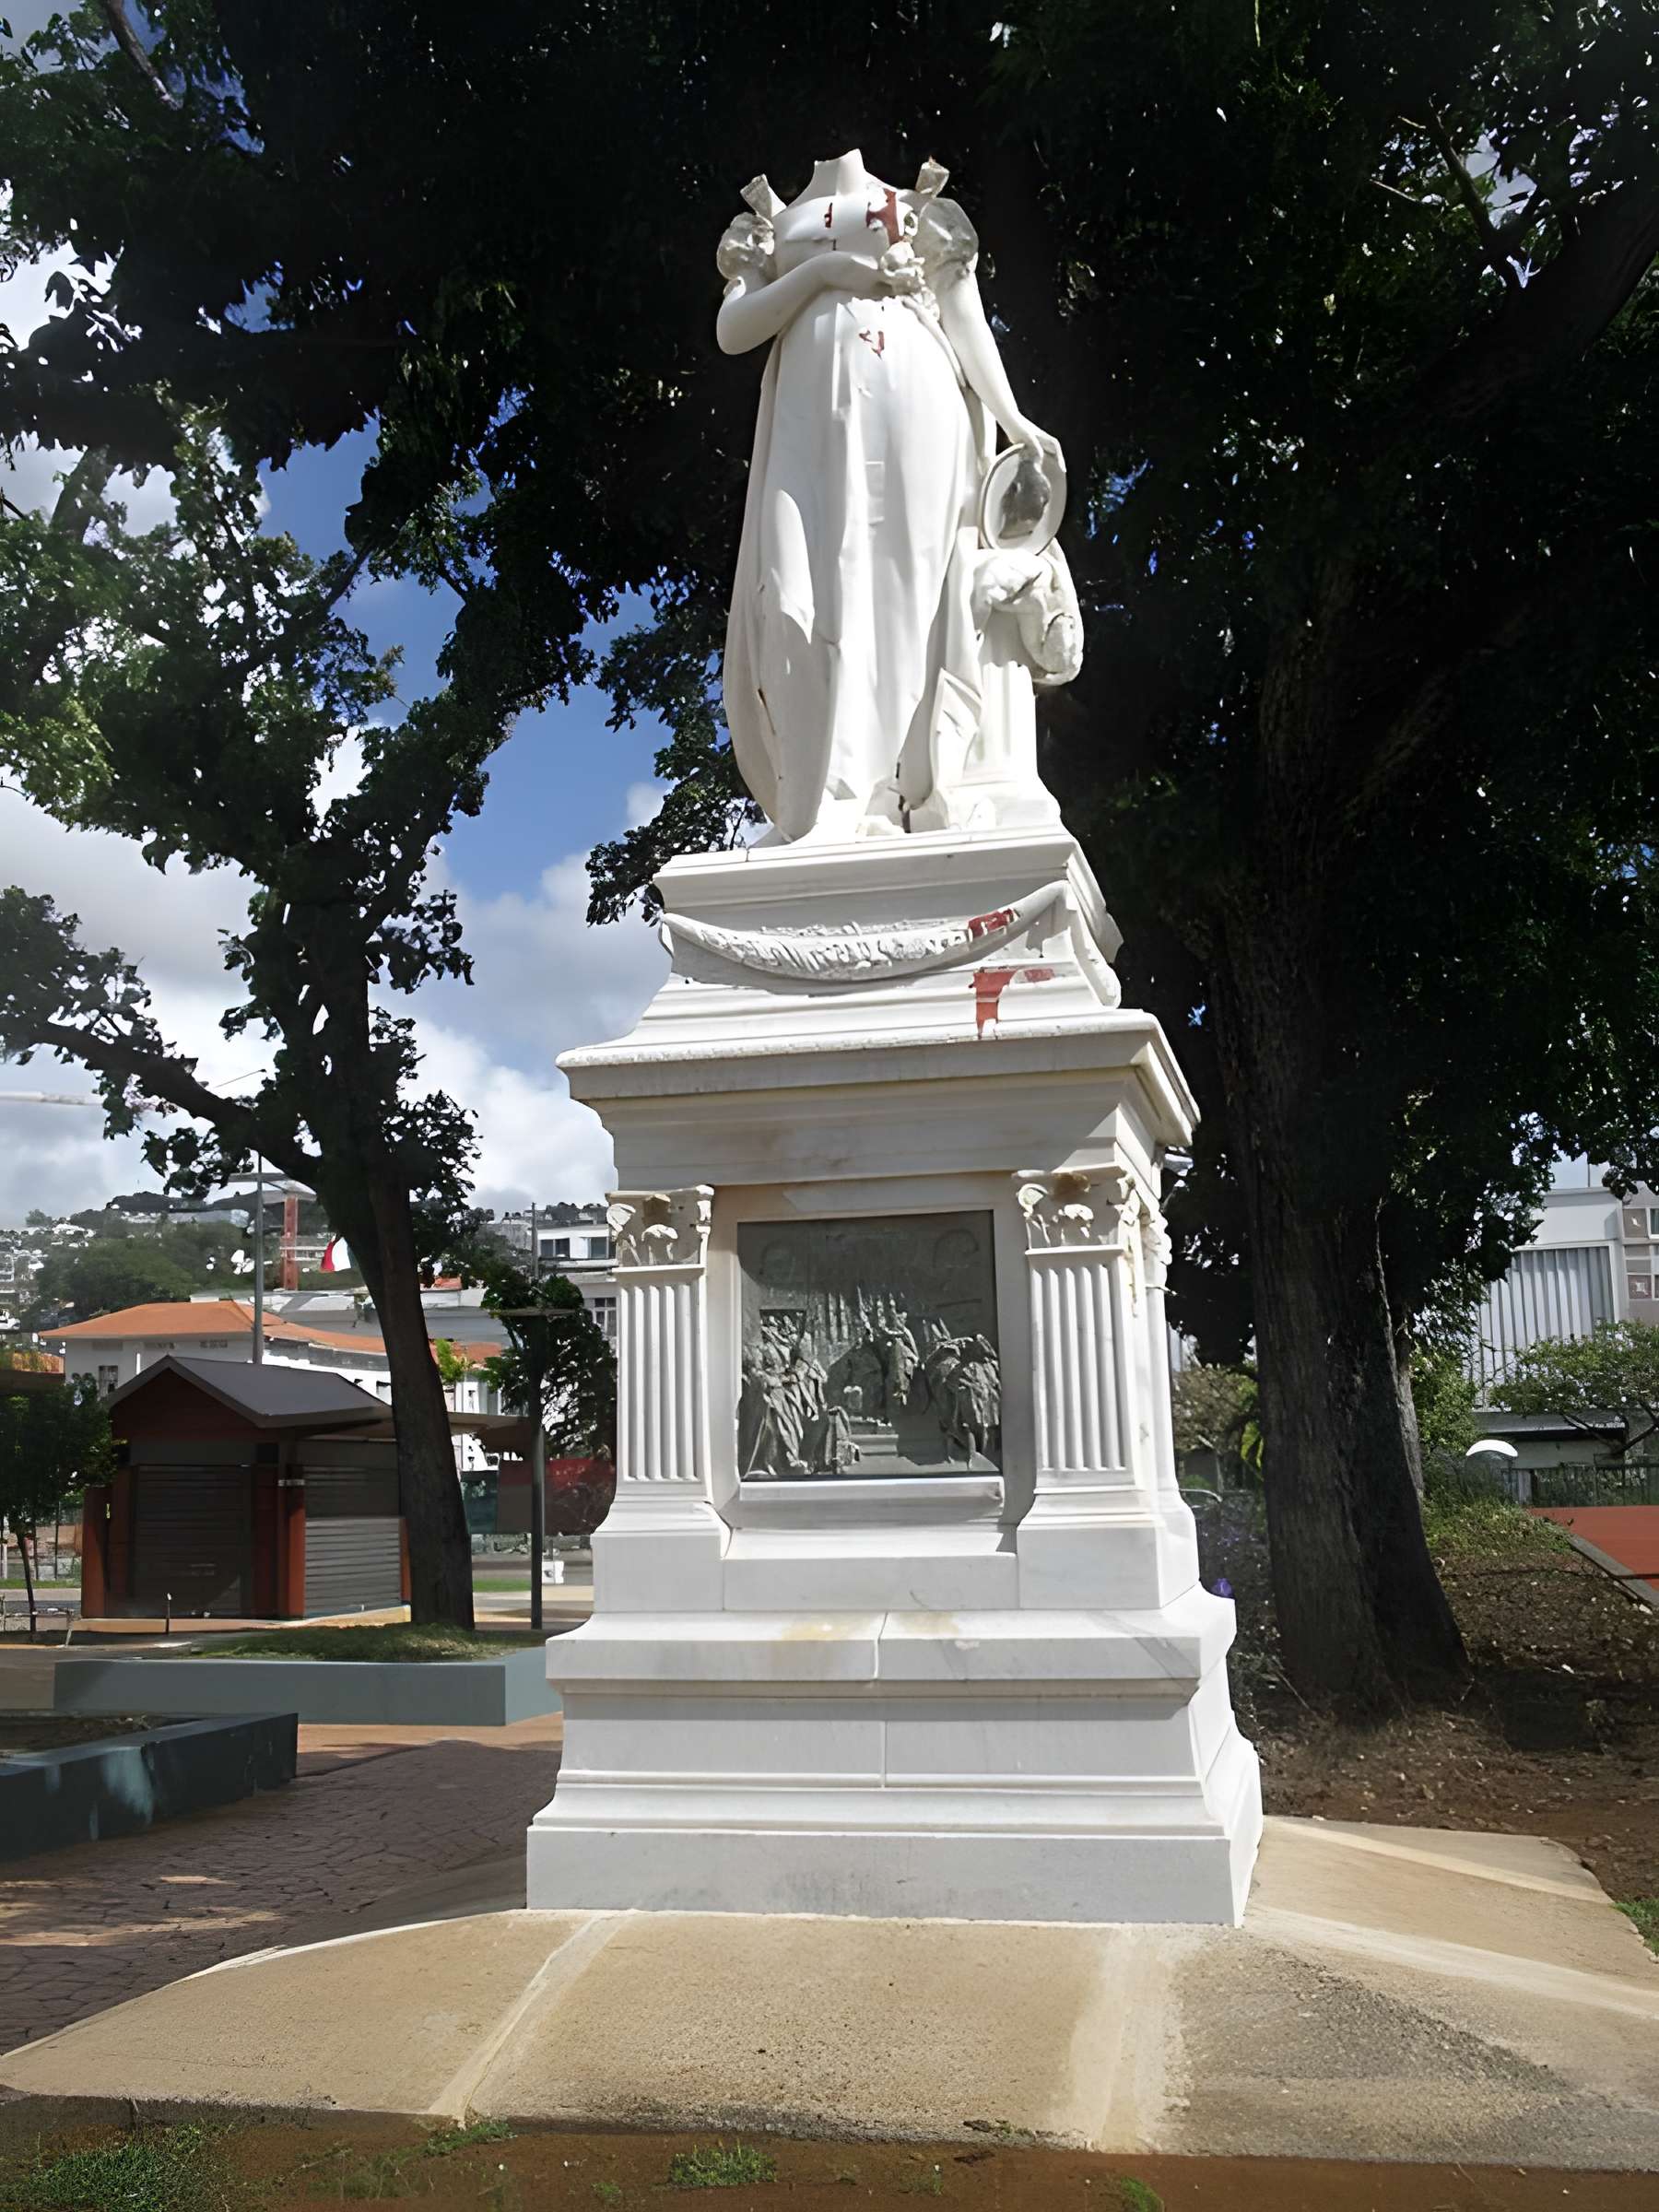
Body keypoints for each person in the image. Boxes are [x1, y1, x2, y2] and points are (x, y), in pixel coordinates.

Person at [716, 149, 1067, 842]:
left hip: (914, 400)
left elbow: (966, 321)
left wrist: (1015, 417)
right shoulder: (769, 225)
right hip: (806, 422)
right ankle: (822, 802)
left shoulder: (919, 206)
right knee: (795, 592)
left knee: (905, 587)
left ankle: (894, 791)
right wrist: (823, 272)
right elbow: (734, 331)